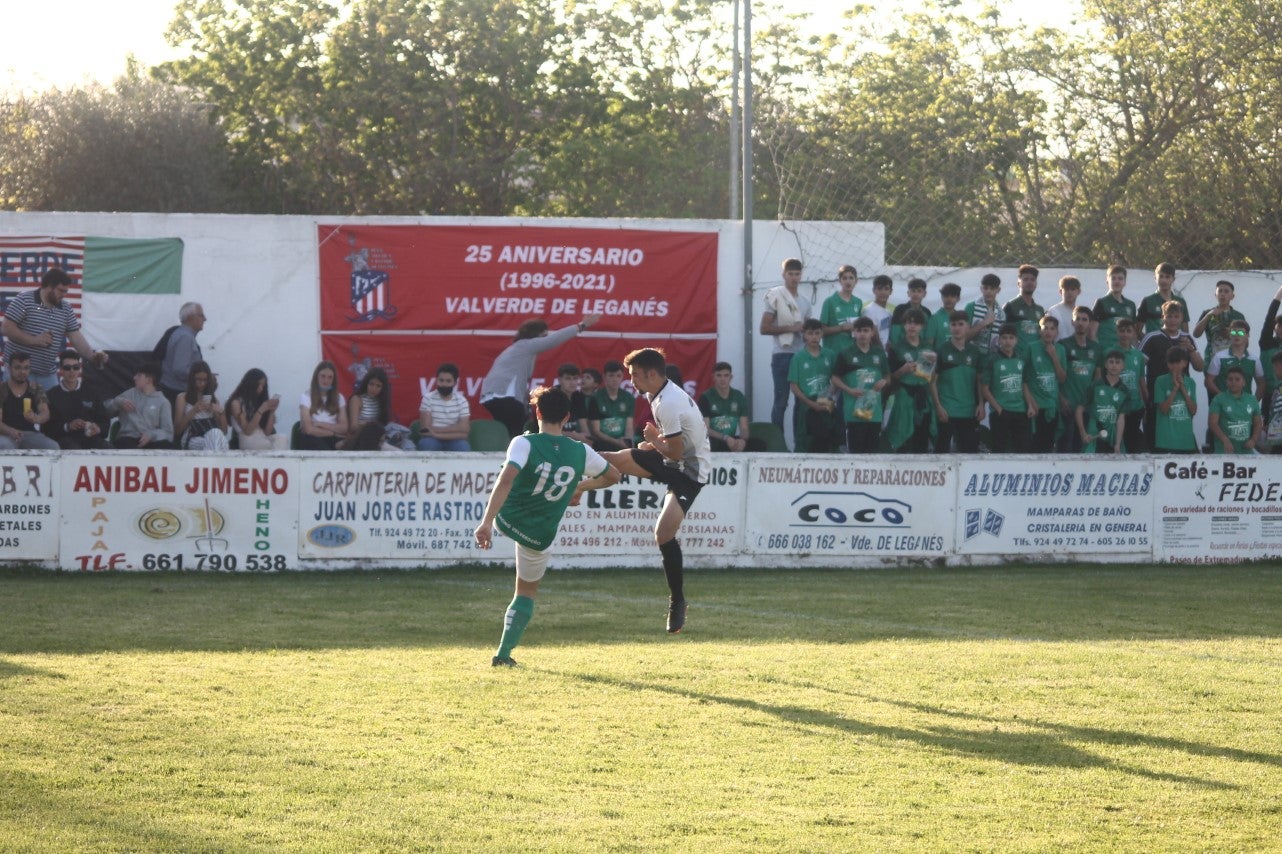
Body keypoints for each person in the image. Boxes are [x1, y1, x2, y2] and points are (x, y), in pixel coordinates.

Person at [475, 386, 621, 666]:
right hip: (538, 534)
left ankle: (504, 655)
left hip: (508, 519)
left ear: (537, 412)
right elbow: (613, 476)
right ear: (567, 417)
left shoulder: (524, 442)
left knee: (513, 473)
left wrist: (487, 522)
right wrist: (578, 488)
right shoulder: (581, 451)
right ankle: (503, 655)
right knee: (525, 593)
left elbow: (506, 479)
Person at [601, 348, 712, 634]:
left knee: (663, 534)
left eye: (635, 375)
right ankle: (568, 468)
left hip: (689, 473)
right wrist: (654, 444)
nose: (632, 381)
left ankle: (677, 601)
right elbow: (673, 444)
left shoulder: (668, 402)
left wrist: (652, 438)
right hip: (672, 460)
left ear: (651, 374)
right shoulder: (657, 394)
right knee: (614, 459)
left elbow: (675, 455)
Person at [480, 314, 601, 438]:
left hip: (491, 396)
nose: (545, 338)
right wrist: (581, 326)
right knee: (517, 431)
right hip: (503, 396)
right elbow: (553, 340)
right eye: (544, 335)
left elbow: (513, 379)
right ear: (536, 334)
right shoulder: (526, 345)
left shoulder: (517, 349)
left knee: (513, 430)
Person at [1, 267, 108, 390]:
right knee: (17, 408)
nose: (64, 295)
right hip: (20, 371)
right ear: (49, 286)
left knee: (52, 408)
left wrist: (92, 356)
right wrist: (35, 340)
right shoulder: (24, 300)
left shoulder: (65, 309)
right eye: (61, 290)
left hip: (48, 374)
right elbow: (6, 328)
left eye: (66, 291)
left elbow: (76, 336)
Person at [1139, 301, 1203, 450]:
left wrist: (1191, 350)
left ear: (1182, 319)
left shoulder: (1187, 338)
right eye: (1169, 316)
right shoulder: (1151, 337)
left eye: (1176, 316)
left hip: (1182, 396)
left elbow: (1200, 367)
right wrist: (1144, 392)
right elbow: (1138, 367)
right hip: (1159, 395)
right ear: (1163, 318)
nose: (1173, 320)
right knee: (1155, 438)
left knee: (1182, 433)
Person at [760, 258, 810, 433]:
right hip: (782, 354)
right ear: (784, 275)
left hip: (801, 355)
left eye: (797, 274)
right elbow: (764, 328)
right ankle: (778, 443)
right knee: (781, 401)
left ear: (801, 275)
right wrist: (791, 327)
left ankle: (799, 444)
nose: (794, 278)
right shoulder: (775, 297)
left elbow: (808, 331)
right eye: (790, 274)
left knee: (802, 401)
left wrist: (806, 332)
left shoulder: (805, 302)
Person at [831, 317, 888, 454]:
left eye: (866, 330)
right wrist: (849, 390)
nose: (862, 334)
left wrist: (884, 381)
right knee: (856, 454)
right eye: (859, 330)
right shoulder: (845, 353)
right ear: (853, 333)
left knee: (872, 452)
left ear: (872, 333)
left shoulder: (879, 353)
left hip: (874, 412)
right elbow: (835, 378)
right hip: (853, 412)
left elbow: (888, 376)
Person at [930, 311, 984, 453]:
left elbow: (979, 380)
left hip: (968, 411)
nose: (957, 328)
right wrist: (938, 407)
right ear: (949, 327)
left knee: (969, 453)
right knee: (941, 452)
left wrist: (981, 404)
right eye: (953, 324)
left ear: (968, 327)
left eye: (961, 324)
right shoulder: (941, 350)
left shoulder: (975, 351)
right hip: (947, 410)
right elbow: (932, 381)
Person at [788, 319, 842, 453]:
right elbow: (794, 386)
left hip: (826, 402)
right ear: (804, 335)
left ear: (822, 334)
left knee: (831, 437)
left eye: (817, 333)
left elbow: (836, 380)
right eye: (810, 333)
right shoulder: (798, 357)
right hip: (807, 404)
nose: (814, 337)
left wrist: (829, 397)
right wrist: (810, 403)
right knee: (808, 441)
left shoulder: (830, 355)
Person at [885, 309, 934, 453]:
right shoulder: (896, 347)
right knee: (903, 440)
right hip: (904, 396)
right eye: (908, 323)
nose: (912, 326)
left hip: (922, 397)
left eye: (916, 323)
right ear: (903, 326)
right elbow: (890, 377)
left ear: (922, 327)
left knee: (922, 439)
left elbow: (928, 377)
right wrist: (903, 370)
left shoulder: (927, 348)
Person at [981, 324, 1033, 453]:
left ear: (1016, 340)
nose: (1007, 341)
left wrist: (1030, 406)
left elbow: (1024, 384)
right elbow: (985, 388)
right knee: (999, 450)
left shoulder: (1021, 359)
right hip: (1001, 412)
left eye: (1011, 338)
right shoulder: (992, 359)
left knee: (1023, 450)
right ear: (999, 340)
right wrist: (998, 409)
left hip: (1020, 410)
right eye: (1004, 338)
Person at [45, 349, 110, 450]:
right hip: (64, 440)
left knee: (109, 450)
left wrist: (98, 428)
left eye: (75, 367)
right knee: (73, 449)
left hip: (90, 438)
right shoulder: (51, 395)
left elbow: (104, 420)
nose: (72, 371)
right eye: (67, 368)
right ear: (61, 370)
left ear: (80, 369)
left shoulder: (92, 392)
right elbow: (46, 429)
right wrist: (68, 426)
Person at [1058, 306, 1101, 454]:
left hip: (1085, 406)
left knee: (1081, 447)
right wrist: (1061, 398)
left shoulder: (1096, 348)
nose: (1081, 323)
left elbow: (1098, 377)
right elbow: (1057, 375)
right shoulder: (1063, 345)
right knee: (1065, 447)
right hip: (1067, 405)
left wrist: (1091, 400)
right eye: (1078, 319)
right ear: (1072, 322)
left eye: (1085, 319)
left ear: (1090, 323)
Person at [107, 361, 175, 449]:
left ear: (149, 380)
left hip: (152, 442)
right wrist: (118, 402)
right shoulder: (129, 394)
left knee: (167, 447)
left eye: (139, 375)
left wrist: (151, 435)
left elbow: (168, 433)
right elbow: (106, 410)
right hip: (128, 439)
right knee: (125, 444)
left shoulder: (163, 402)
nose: (134, 378)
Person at [699, 362, 765, 452]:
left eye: (726, 375)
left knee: (759, 444)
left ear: (731, 377)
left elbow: (744, 428)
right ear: (713, 377)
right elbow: (705, 429)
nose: (723, 379)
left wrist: (743, 440)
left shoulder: (739, 397)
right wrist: (725, 438)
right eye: (719, 376)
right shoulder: (706, 397)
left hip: (731, 440)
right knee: (712, 444)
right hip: (715, 439)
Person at [1025, 315, 1067, 453]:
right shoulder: (1031, 348)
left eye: (1052, 329)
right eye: (1045, 328)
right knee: (1031, 448)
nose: (1048, 332)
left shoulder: (1060, 350)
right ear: (1040, 331)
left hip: (1051, 407)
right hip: (1035, 407)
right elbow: (1023, 379)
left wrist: (1054, 357)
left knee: (1047, 448)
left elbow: (1062, 379)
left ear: (1057, 332)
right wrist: (1031, 402)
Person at [0, 352, 59, 450]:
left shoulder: (35, 388)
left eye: (26, 368)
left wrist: (36, 418)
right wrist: (11, 431)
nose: (22, 372)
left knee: (53, 447)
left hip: (29, 434)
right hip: (5, 434)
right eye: (18, 368)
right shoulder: (2, 389)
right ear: (9, 369)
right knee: (6, 445)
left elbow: (45, 413)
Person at [343, 366, 409, 451]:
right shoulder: (357, 399)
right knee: (397, 452)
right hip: (360, 439)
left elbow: (384, 425)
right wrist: (367, 424)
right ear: (366, 383)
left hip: (380, 439)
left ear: (383, 388)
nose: (374, 389)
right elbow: (352, 428)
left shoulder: (381, 402)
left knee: (403, 441)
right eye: (371, 384)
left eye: (378, 386)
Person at [1076, 350, 1130, 454]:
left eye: (1117, 362)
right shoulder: (1095, 385)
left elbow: (1121, 419)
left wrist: (1118, 443)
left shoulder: (1124, 390)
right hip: (1094, 433)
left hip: (1113, 436)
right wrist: (1083, 433)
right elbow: (1079, 410)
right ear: (1105, 364)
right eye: (1111, 362)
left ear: (1123, 366)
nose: (1114, 365)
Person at [226, 368, 288, 450]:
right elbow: (247, 431)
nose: (261, 389)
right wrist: (261, 410)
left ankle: (273, 461)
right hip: (247, 439)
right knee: (270, 445)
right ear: (250, 383)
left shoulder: (257, 401)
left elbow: (267, 432)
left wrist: (272, 412)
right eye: (259, 385)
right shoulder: (236, 403)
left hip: (262, 437)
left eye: (263, 386)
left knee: (283, 438)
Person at [174, 360, 230, 451]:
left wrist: (221, 413)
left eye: (205, 380)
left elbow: (224, 431)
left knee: (217, 436)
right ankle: (214, 463)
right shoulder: (182, 398)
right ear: (192, 379)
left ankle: (210, 463)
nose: (202, 383)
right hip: (192, 437)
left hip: (210, 436)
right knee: (218, 438)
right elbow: (177, 430)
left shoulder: (214, 400)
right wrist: (194, 410)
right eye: (198, 379)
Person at [1111, 319, 1148, 455]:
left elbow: (1141, 382)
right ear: (1117, 332)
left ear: (1134, 333)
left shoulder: (1138, 356)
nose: (1125, 334)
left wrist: (1146, 404)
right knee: (1117, 443)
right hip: (1115, 407)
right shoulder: (1109, 353)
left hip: (1134, 406)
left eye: (1128, 331)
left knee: (1133, 444)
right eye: (1122, 331)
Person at [1152, 348, 1198, 454]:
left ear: (1185, 363)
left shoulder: (1191, 382)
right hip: (1166, 441)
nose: (1174, 366)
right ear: (1167, 364)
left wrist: (1183, 388)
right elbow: (1163, 409)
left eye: (1177, 362)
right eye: (1171, 363)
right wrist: (1175, 388)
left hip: (1186, 442)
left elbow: (1193, 411)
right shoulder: (1160, 381)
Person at [417, 363, 471, 452]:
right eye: (441, 380)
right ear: (436, 380)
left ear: (455, 383)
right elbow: (425, 430)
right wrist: (456, 429)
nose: (444, 384)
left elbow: (464, 433)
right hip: (432, 440)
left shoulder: (462, 401)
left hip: (454, 441)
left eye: (448, 381)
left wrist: (435, 433)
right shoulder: (428, 398)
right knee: (426, 444)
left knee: (463, 447)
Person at [159, 302, 206, 404]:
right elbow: (180, 370)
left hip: (174, 392)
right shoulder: (185, 338)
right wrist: (203, 376)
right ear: (190, 317)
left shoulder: (182, 334)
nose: (205, 319)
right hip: (177, 393)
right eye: (201, 315)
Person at [1208, 366, 1261, 454]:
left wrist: (1253, 440)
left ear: (1244, 382)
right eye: (1230, 379)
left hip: (1246, 453)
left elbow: (1258, 423)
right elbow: (1212, 423)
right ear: (1226, 382)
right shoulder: (1218, 399)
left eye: (1237, 379)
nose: (1233, 382)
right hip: (1224, 452)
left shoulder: (1252, 400)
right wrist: (1225, 440)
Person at [298, 360, 348, 450]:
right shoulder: (305, 396)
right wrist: (333, 433)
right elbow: (309, 430)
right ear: (316, 377)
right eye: (323, 376)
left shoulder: (339, 397)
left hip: (332, 439)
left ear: (333, 380)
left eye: (330, 377)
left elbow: (344, 428)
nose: (326, 380)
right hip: (313, 438)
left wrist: (321, 424)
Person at [1193, 279, 1244, 364]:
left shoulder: (1238, 316)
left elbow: (1244, 335)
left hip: (1233, 359)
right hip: (1212, 359)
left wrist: (1232, 332)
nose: (1223, 294)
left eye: (1226, 291)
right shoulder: (1207, 313)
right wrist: (1208, 316)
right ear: (1215, 295)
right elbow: (1196, 334)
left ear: (1232, 296)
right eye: (1220, 291)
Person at [588, 360, 635, 452]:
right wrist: (617, 442)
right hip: (603, 442)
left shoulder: (628, 398)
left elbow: (629, 426)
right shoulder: (595, 398)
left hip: (622, 440)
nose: (615, 379)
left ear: (622, 377)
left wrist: (627, 441)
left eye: (618, 376)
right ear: (604, 377)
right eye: (611, 376)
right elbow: (596, 431)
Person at [818, 264, 863, 352]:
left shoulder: (858, 302)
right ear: (840, 281)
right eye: (844, 278)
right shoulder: (830, 301)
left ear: (856, 281)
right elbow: (821, 331)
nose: (848, 281)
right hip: (833, 351)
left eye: (851, 278)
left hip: (852, 352)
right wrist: (841, 328)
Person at [1091, 265, 1136, 351]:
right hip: (1107, 352)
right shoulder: (1101, 302)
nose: (1117, 282)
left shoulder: (1131, 305)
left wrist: (1135, 352)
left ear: (1125, 282)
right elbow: (1092, 333)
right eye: (1113, 278)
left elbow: (1133, 334)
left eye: (1120, 278)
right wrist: (1101, 352)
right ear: (1107, 281)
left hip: (1125, 353)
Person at [1137, 263, 1189, 335]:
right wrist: (1149, 342)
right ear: (1155, 278)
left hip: (1175, 345)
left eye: (1167, 277)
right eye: (1161, 276)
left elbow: (1185, 332)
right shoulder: (1148, 301)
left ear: (1173, 279)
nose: (1164, 280)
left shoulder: (1181, 302)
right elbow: (1137, 331)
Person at [1003, 264, 1044, 354]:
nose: (1029, 282)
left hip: (1035, 357)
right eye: (1025, 279)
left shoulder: (1040, 310)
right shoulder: (1010, 306)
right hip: (1016, 357)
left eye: (1032, 279)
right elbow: (1002, 334)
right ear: (1019, 283)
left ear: (1036, 283)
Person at [965, 273, 1005, 354]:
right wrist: (984, 323)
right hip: (971, 356)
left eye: (992, 288)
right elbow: (964, 337)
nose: (988, 291)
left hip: (991, 358)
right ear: (981, 289)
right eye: (985, 288)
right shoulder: (971, 307)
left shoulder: (1001, 314)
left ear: (998, 290)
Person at [553, 363, 592, 444]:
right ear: (560, 380)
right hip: (552, 442)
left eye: (575, 378)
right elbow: (549, 432)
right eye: (568, 379)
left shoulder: (578, 396)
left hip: (573, 441)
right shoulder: (551, 397)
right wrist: (574, 436)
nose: (572, 382)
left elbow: (584, 427)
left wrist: (588, 440)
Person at [889, 278, 931, 350]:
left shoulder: (927, 312)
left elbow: (927, 335)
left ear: (924, 294)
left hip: (920, 351)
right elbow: (895, 334)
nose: (916, 294)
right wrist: (897, 350)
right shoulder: (900, 309)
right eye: (913, 291)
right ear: (908, 293)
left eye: (919, 291)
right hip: (902, 350)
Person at [924, 283, 962, 351]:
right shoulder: (934, 318)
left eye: (952, 296)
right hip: (940, 359)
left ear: (958, 298)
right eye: (946, 296)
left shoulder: (961, 318)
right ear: (941, 297)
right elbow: (929, 345)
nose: (949, 299)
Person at [1045, 275, 1082, 343]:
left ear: (1079, 291)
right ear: (1060, 291)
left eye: (1073, 289)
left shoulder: (1081, 314)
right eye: (1066, 289)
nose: (1070, 292)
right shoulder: (1053, 312)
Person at [862, 274, 894, 349]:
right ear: (874, 290)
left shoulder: (888, 313)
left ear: (891, 291)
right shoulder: (869, 311)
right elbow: (873, 337)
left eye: (886, 289)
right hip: (876, 354)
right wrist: (882, 352)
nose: (883, 292)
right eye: (879, 289)